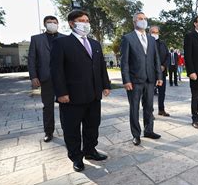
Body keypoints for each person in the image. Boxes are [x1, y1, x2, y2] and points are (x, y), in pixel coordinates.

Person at [50, 10, 111, 172]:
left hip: (93, 95)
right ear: (71, 23)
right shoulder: (61, 43)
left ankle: (90, 151)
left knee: (92, 126)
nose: (85, 23)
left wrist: (106, 85)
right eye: (81, 20)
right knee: (72, 129)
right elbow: (56, 71)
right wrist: (61, 93)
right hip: (72, 97)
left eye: (87, 20)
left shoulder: (95, 44)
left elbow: (101, 67)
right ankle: (76, 157)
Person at [120, 12, 163, 146]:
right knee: (134, 108)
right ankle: (136, 134)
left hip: (150, 79)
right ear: (134, 21)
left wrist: (159, 76)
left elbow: (156, 58)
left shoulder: (151, 39)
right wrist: (126, 80)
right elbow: (124, 61)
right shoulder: (127, 38)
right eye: (140, 19)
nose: (143, 21)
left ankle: (149, 130)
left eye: (145, 19)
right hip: (134, 80)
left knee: (149, 107)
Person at [28, 15, 65, 143]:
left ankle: (67, 130)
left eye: (54, 22)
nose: (52, 24)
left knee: (65, 105)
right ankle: (48, 132)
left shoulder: (65, 38)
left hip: (63, 78)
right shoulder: (36, 39)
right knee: (48, 106)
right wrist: (33, 76)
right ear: (45, 24)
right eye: (49, 22)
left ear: (58, 24)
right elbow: (31, 59)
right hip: (46, 78)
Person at [150, 26, 171, 117]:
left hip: (162, 72)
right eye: (153, 32)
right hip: (151, 73)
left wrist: (164, 66)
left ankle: (161, 110)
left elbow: (168, 56)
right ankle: (149, 112)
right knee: (149, 94)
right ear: (149, 33)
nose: (155, 34)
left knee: (162, 92)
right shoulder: (147, 43)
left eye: (157, 32)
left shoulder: (163, 43)